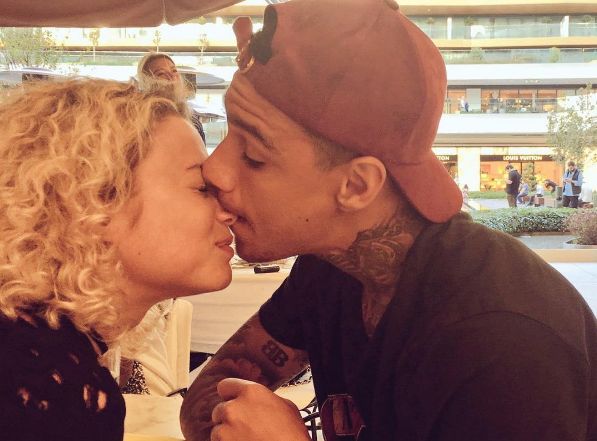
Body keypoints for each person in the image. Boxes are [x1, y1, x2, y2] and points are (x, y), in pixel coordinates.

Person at [180, 1, 597, 440]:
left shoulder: (503, 344)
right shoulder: (330, 265)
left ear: (357, 186)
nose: (214, 169)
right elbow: (207, 396)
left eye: (253, 154)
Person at [0, 78, 236, 440]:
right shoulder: (49, 389)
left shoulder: (35, 349)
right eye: (202, 188)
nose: (228, 210)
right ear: (94, 202)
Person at [137, 52, 207, 146]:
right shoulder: (141, 123)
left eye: (174, 70)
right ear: (146, 81)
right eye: (161, 73)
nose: (172, 76)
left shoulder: (194, 123)